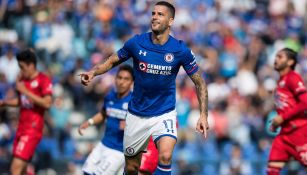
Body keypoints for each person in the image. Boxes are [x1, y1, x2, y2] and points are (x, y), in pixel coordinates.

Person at [79, 1, 209, 174]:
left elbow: (199, 82)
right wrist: (93, 73)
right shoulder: (137, 43)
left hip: (164, 113)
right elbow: (112, 60)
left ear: (171, 21)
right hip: (136, 115)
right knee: (132, 168)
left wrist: (203, 114)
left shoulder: (180, 50)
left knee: (165, 157)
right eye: (153, 13)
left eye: (160, 14)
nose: (154, 17)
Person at [0, 49, 53, 175]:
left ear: (31, 65)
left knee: (15, 169)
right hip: (21, 128)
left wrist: (25, 91)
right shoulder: (23, 81)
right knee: (22, 169)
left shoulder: (43, 80)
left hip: (32, 129)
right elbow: (21, 101)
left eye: (22, 67)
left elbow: (47, 103)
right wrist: (5, 102)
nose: (21, 71)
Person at [78, 65, 134, 175]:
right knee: (86, 172)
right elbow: (103, 113)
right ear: (115, 78)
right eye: (119, 77)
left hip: (118, 151)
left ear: (132, 82)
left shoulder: (135, 102)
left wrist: (130, 126)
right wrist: (89, 122)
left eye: (126, 79)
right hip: (103, 144)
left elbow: (144, 125)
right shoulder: (110, 96)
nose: (121, 82)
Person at [267, 48, 307, 175]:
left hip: (299, 132)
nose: (276, 59)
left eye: (280, 57)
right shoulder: (280, 82)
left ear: (290, 62)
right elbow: (286, 107)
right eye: (276, 56)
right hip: (284, 134)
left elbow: (305, 102)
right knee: (272, 170)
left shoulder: (293, 78)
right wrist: (276, 123)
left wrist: (282, 118)